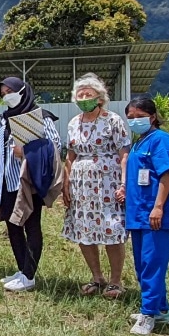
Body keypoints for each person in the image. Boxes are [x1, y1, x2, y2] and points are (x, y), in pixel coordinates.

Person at [0, 77, 62, 292]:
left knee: (31, 225)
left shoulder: (40, 117)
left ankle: (29, 275)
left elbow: (54, 145)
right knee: (12, 225)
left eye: (10, 90)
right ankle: (22, 269)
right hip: (5, 182)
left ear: (22, 91)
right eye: (3, 92)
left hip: (28, 181)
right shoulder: (1, 120)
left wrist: (26, 151)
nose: (6, 95)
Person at [62, 74, 132, 299]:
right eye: (80, 94)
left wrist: (124, 184)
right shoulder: (74, 123)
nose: (83, 98)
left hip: (107, 182)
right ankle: (96, 276)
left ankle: (115, 281)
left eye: (88, 94)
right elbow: (70, 156)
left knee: (111, 229)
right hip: (81, 185)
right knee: (84, 230)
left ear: (99, 97)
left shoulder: (112, 120)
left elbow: (124, 154)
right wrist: (66, 184)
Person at [124, 97, 169, 336]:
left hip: (155, 213)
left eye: (138, 116)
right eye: (130, 117)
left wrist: (158, 207)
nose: (134, 121)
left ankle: (148, 316)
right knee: (143, 265)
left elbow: (166, 175)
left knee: (152, 264)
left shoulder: (161, 141)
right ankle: (161, 310)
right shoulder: (140, 142)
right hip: (139, 213)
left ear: (152, 116)